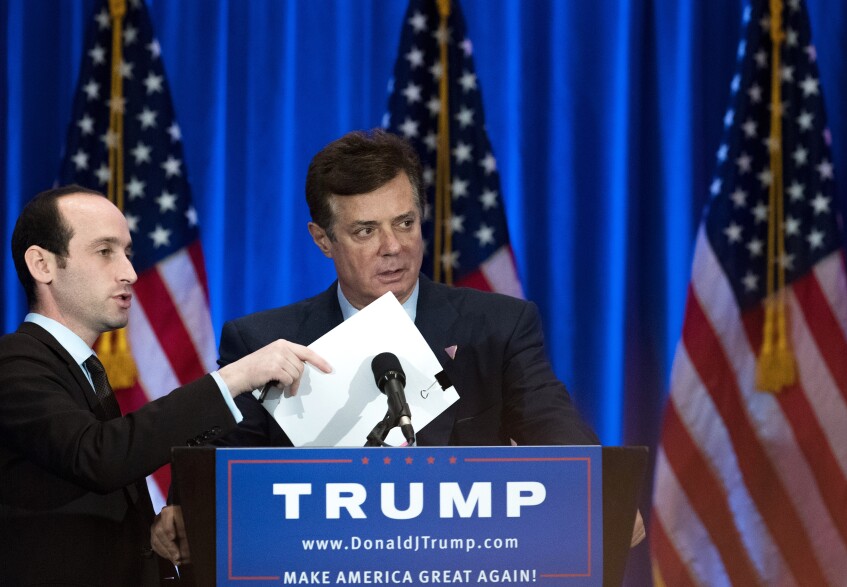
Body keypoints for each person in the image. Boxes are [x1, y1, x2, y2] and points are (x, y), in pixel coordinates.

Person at [150, 129, 600, 565]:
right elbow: (216, 471)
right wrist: (184, 512)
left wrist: (602, 498)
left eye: (405, 223)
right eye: (365, 231)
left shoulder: (498, 327)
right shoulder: (263, 342)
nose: (393, 247)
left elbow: (552, 425)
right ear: (322, 240)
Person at [0, 185, 330, 586]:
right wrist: (234, 378)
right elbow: (99, 457)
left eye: (127, 253)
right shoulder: (14, 363)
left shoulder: (80, 369)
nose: (130, 273)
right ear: (42, 265)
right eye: (104, 252)